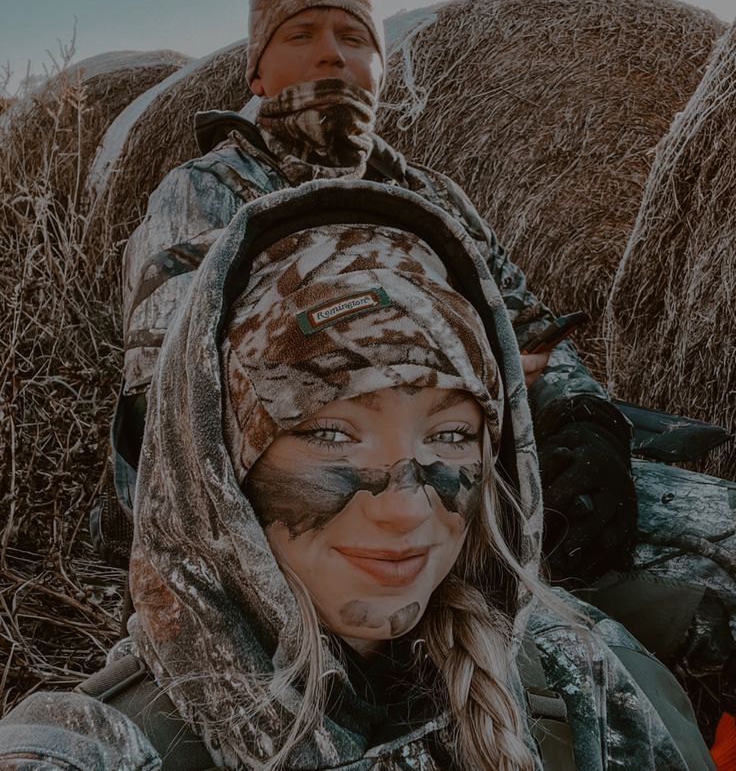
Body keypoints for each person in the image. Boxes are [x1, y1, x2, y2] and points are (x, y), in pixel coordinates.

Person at [0, 180, 713, 769]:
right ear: (221, 466)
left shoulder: (582, 679)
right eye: (332, 432)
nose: (405, 508)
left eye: (452, 432)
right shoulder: (107, 749)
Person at [110, 0, 636, 586]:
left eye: (354, 36)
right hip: (278, 501)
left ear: (380, 69)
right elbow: (168, 390)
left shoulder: (435, 199)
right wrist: (480, 368)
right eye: (300, 34)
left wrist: (584, 421)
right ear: (256, 73)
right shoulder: (203, 191)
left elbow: (534, 334)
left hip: (466, 465)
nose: (330, 53)